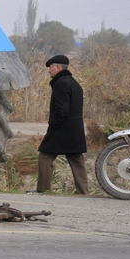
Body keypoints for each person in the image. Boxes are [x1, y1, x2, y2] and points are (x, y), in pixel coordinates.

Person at [28, 54, 88, 194]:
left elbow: (62, 109)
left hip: (62, 130)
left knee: (45, 156)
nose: (49, 70)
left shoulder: (61, 84)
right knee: (77, 160)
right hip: (76, 130)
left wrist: (53, 125)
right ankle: (84, 192)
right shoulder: (74, 83)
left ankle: (43, 189)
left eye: (50, 67)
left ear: (58, 67)